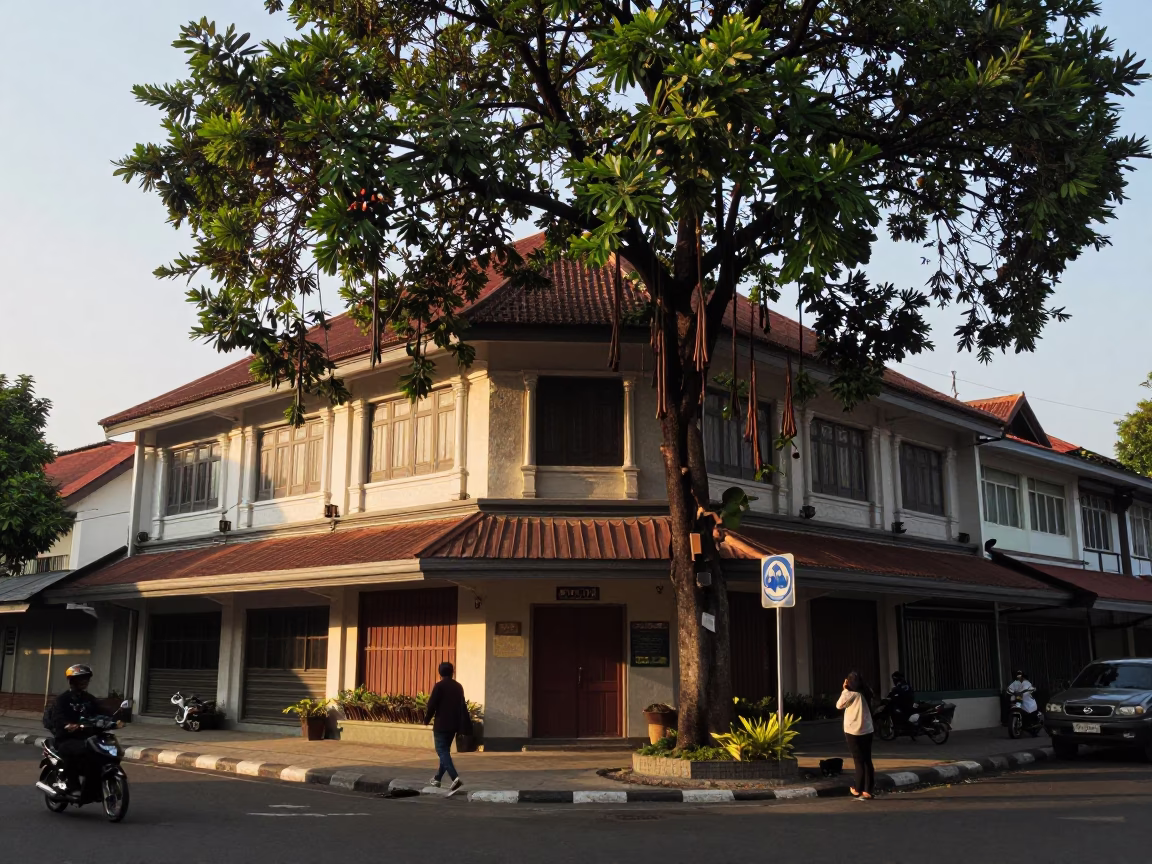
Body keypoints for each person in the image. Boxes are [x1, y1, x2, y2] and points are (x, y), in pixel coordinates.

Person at [47, 664, 102, 790]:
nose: (84, 681)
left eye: (86, 678)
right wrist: (67, 725)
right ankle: (72, 783)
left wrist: (115, 719)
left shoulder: (89, 699)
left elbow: (102, 711)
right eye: (81, 679)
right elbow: (57, 717)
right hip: (67, 737)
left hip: (87, 736)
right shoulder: (62, 699)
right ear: (72, 681)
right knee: (75, 751)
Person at [424, 661, 471, 795]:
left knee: (442, 751)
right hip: (454, 724)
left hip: (441, 724)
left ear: (440, 673)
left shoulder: (439, 686)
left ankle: (454, 777)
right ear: (452, 672)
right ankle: (437, 778)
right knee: (445, 752)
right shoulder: (458, 687)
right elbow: (462, 705)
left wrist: (427, 719)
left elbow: (432, 705)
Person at [837, 670, 876, 800]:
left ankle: (857, 788)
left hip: (853, 731)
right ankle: (868, 790)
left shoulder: (851, 694)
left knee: (858, 760)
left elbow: (839, 705)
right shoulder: (866, 691)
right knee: (867, 760)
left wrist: (844, 689)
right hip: (868, 730)